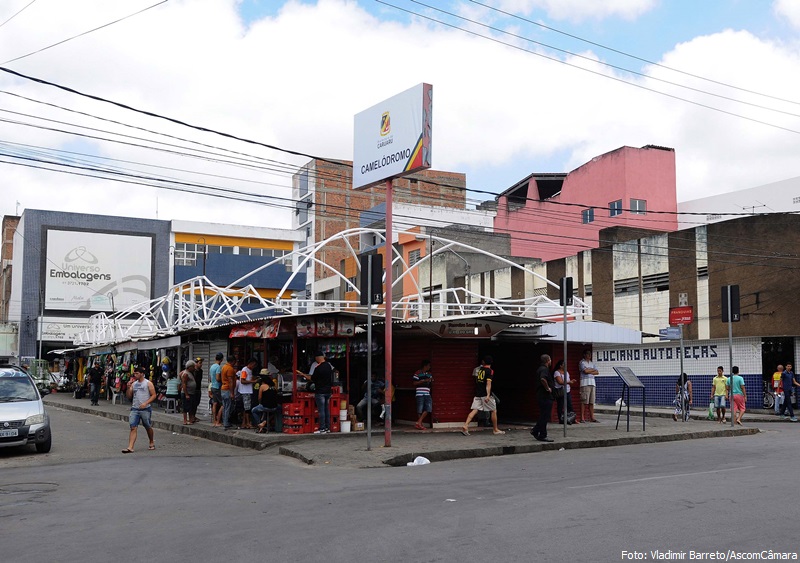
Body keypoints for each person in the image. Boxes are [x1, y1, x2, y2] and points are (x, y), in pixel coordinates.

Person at [460, 356, 505, 436]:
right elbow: (488, 383)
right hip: (485, 394)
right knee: (494, 410)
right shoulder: (490, 371)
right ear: (491, 363)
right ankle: (495, 429)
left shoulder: (480, 370)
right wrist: (488, 395)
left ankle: (466, 425)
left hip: (478, 393)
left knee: (475, 410)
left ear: (483, 362)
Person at [122, 365, 156, 453]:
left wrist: (146, 403)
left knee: (147, 426)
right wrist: (129, 388)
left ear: (142, 374)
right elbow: (129, 396)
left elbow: (154, 395)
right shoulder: (134, 384)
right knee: (133, 427)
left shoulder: (148, 383)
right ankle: (130, 447)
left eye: (137, 373)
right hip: (135, 408)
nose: (135, 375)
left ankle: (151, 441)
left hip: (145, 409)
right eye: (134, 373)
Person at [298, 352, 333, 433]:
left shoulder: (318, 368)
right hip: (328, 391)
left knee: (321, 411)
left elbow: (312, 379)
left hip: (320, 391)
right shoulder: (328, 366)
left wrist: (303, 374)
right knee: (326, 409)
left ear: (317, 358)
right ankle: (328, 428)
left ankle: (322, 428)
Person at [531, 354, 555, 442]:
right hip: (545, 396)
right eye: (550, 360)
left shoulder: (540, 369)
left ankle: (538, 431)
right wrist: (548, 388)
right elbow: (543, 379)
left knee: (543, 415)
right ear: (548, 360)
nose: (551, 361)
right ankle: (540, 433)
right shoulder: (544, 369)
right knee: (545, 416)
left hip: (541, 396)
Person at [579, 349, 599, 423]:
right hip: (585, 383)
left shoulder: (592, 363)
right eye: (588, 354)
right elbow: (585, 371)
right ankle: (582, 417)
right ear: (584, 355)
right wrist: (592, 370)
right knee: (584, 401)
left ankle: (592, 417)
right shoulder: (582, 362)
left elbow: (597, 372)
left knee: (591, 401)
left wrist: (590, 370)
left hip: (592, 383)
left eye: (590, 354)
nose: (589, 355)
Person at [553, 359, 576, 425]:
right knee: (560, 406)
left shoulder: (566, 372)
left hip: (567, 391)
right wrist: (569, 382)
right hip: (560, 391)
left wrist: (571, 381)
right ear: (560, 366)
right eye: (564, 364)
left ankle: (571, 419)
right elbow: (560, 382)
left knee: (569, 405)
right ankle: (561, 419)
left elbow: (568, 380)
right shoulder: (557, 372)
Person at [413, 359, 433, 430]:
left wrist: (431, 380)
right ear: (425, 366)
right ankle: (420, 424)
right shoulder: (417, 373)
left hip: (427, 392)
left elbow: (431, 381)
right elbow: (414, 383)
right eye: (428, 366)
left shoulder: (429, 374)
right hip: (419, 393)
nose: (429, 367)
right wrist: (423, 381)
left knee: (428, 408)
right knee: (420, 409)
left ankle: (418, 422)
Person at [239, 358, 258, 429]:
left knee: (246, 408)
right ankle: (248, 423)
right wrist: (253, 382)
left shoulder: (250, 370)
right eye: (254, 364)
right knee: (247, 409)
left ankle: (244, 423)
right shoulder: (245, 370)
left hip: (248, 391)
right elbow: (242, 381)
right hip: (245, 391)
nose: (254, 366)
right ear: (251, 363)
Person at [220, 355, 237, 429]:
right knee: (228, 407)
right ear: (233, 361)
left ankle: (225, 422)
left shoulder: (224, 367)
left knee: (225, 406)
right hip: (227, 389)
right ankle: (226, 423)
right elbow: (230, 381)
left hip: (223, 389)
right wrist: (232, 393)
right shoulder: (230, 368)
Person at [180, 360, 197, 425]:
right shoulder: (186, 374)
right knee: (185, 407)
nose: (194, 368)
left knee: (190, 407)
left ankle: (190, 420)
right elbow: (184, 384)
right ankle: (185, 420)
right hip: (187, 393)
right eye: (193, 367)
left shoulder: (190, 373)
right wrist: (186, 394)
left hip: (191, 392)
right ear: (189, 367)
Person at [209, 352, 223, 427]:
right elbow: (218, 378)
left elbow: (210, 378)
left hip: (213, 386)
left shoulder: (212, 366)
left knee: (214, 403)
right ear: (222, 359)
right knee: (223, 404)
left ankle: (214, 421)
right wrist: (223, 380)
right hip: (217, 387)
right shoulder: (218, 367)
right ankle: (218, 421)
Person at [189, 357, 203, 423]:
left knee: (196, 403)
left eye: (201, 363)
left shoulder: (200, 371)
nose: (201, 364)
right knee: (192, 404)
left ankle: (193, 416)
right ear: (196, 364)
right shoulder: (193, 372)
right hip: (193, 390)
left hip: (198, 389)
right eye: (200, 363)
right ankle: (191, 416)